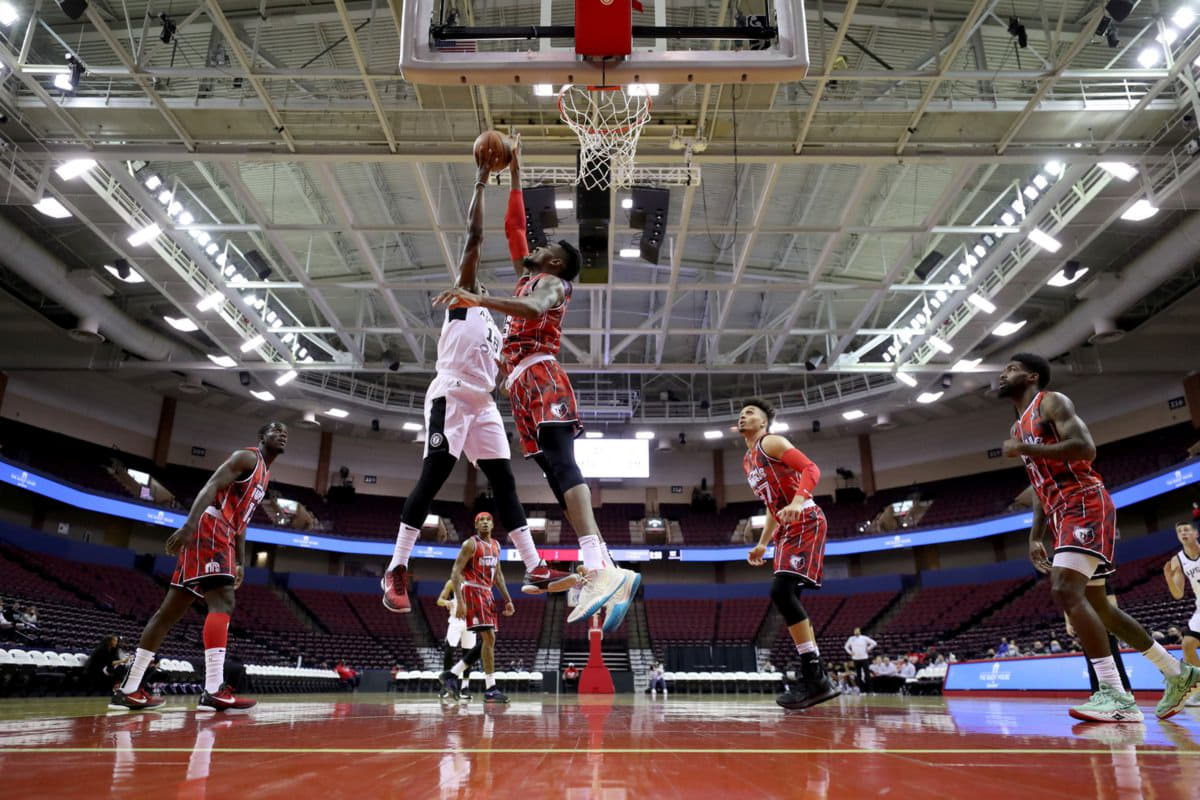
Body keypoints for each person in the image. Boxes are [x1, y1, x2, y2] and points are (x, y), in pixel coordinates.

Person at [433, 137, 639, 632]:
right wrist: (516, 171)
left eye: (545, 247)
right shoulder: (533, 273)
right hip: (522, 387)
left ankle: (595, 562)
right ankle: (606, 570)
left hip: (544, 374)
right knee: (551, 474)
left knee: (565, 465)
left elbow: (530, 311)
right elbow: (513, 225)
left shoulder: (553, 285)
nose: (536, 244)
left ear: (556, 264)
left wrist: (474, 297)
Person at [380, 155, 573, 615]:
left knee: (505, 481)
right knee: (435, 475)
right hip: (450, 391)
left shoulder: (498, 317)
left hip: (483, 401)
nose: (478, 279)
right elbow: (476, 237)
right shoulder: (466, 299)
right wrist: (482, 183)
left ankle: (533, 565)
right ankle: (397, 567)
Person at [999, 353, 1199, 722]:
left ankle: (1115, 695)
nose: (1001, 374)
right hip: (1061, 513)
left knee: (1064, 590)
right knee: (1103, 609)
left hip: (1084, 501)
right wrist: (1035, 536)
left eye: (1010, 368)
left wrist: (1027, 449)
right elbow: (1040, 483)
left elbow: (1086, 449)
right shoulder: (1017, 428)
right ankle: (1178, 672)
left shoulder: (1051, 402)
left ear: (1030, 376)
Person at [108, 421, 287, 712]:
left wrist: (240, 560)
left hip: (224, 532)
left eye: (285, 433)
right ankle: (213, 689)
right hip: (211, 527)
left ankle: (128, 688)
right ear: (261, 436)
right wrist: (189, 525)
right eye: (276, 430)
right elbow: (212, 485)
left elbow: (243, 522)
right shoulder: (247, 458)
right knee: (223, 601)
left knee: (169, 612)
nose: (282, 435)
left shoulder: (265, 477)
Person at [740, 398, 838, 711]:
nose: (744, 416)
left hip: (805, 517)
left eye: (751, 412)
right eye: (741, 413)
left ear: (764, 422)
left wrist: (797, 502)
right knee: (784, 595)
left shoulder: (772, 442)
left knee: (781, 592)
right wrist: (762, 543)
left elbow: (811, 469)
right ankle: (814, 675)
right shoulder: (748, 461)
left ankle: (815, 675)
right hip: (785, 527)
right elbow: (772, 507)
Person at [439, 512, 515, 704]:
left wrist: (507, 599)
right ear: (476, 525)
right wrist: (461, 601)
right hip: (472, 591)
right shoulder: (470, 544)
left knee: (487, 641)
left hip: (487, 593)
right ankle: (490, 688)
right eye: (481, 520)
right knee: (489, 638)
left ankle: (451, 674)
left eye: (488, 519)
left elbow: (498, 575)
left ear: (493, 523)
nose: (485, 522)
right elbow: (455, 572)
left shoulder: (497, 545)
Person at [436, 570, 478, 700]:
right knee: (449, 651)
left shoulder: (475, 584)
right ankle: (447, 684)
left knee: (468, 655)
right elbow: (439, 600)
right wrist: (446, 602)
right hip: (455, 621)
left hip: (471, 622)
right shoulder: (451, 583)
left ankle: (465, 687)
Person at [1164, 521, 1200, 669]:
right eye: (1179, 531)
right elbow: (1178, 594)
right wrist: (1168, 578)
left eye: (1186, 530)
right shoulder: (1177, 560)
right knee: (1187, 644)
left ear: (1196, 533)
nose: (1183, 533)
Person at [844, 627, 877, 692]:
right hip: (856, 659)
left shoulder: (864, 638)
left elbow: (874, 643)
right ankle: (862, 690)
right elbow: (846, 647)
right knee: (858, 675)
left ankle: (870, 690)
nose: (856, 632)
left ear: (860, 631)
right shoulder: (851, 638)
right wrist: (850, 653)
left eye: (857, 631)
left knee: (867, 674)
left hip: (864, 658)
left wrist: (868, 648)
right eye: (855, 631)